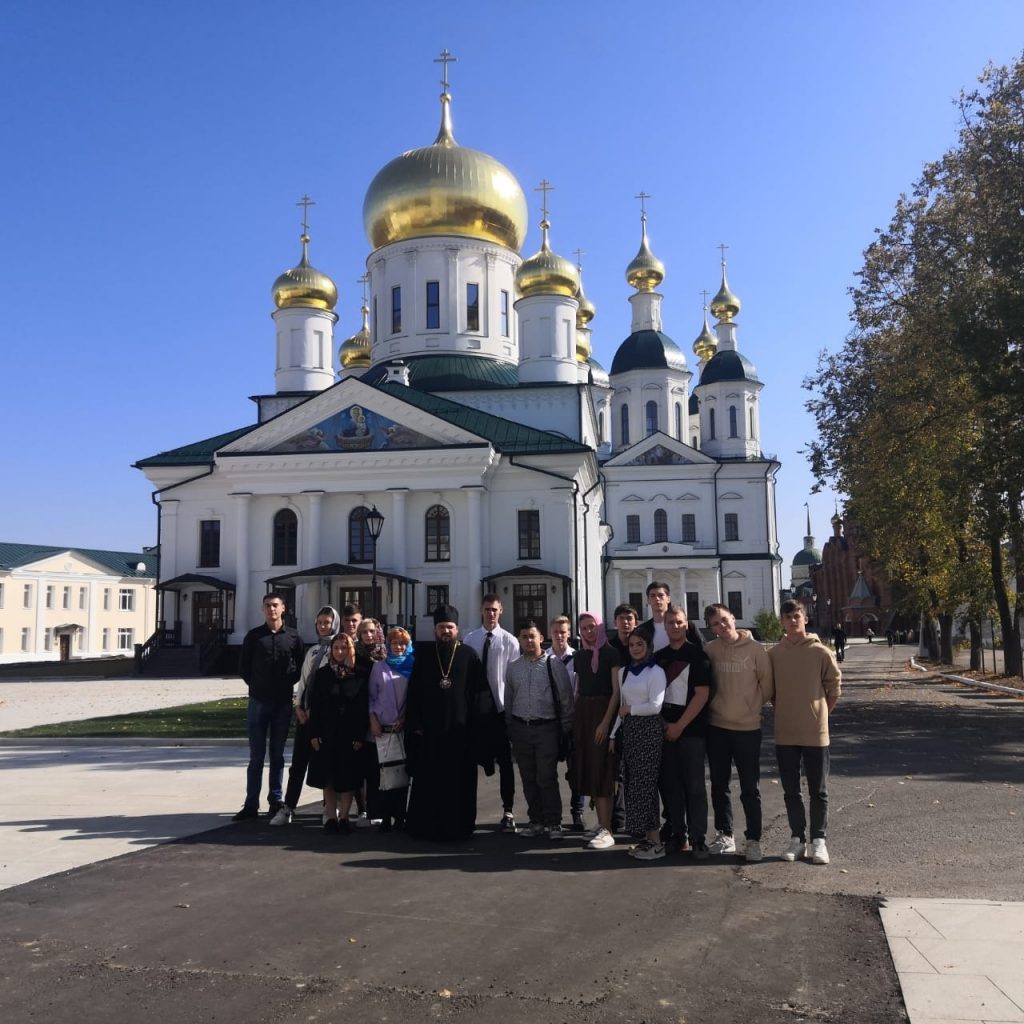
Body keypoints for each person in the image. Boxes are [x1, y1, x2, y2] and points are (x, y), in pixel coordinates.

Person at [405, 605, 500, 841]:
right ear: (435, 630)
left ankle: (460, 826)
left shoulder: (469, 656)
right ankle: (426, 826)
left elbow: (481, 695)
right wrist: (415, 722)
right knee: (430, 782)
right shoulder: (425, 656)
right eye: (441, 627)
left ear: (457, 629)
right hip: (431, 733)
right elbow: (414, 692)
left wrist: (479, 725)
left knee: (460, 784)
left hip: (461, 734)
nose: (445, 631)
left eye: (449, 627)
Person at [769, 599, 842, 865]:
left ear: (805, 618)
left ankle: (818, 841)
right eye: (787, 617)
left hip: (815, 732)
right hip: (786, 732)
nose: (792, 621)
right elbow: (771, 692)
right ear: (782, 621)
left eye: (796, 616)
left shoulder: (821, 652)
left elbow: (834, 689)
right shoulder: (775, 654)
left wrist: (820, 714)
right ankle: (797, 839)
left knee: (818, 790)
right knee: (791, 790)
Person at [703, 603, 774, 862]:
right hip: (717, 727)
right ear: (710, 629)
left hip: (747, 728)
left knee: (749, 788)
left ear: (733, 617)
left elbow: (767, 686)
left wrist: (751, 706)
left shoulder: (756, 650)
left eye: (724, 620)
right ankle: (725, 834)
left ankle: (754, 839)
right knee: (719, 785)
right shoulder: (710, 650)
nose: (721, 627)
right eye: (715, 624)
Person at [235, 592, 304, 820]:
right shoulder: (254, 637)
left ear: (283, 608)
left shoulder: (293, 637)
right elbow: (244, 668)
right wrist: (258, 685)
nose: (271, 609)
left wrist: (285, 683)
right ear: (262, 609)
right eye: (267, 606)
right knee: (256, 756)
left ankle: (275, 800)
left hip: (282, 703)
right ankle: (250, 805)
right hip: (258, 702)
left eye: (275, 605)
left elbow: (300, 667)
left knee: (277, 755)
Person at [505, 620, 574, 840]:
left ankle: (554, 822)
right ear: (519, 639)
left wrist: (565, 728)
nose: (528, 640)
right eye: (523, 636)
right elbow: (509, 699)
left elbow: (565, 699)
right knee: (528, 778)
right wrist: (510, 728)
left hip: (546, 729)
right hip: (521, 728)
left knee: (546, 777)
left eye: (531, 636)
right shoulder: (514, 666)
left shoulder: (553, 664)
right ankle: (536, 821)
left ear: (541, 638)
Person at [271, 605, 340, 826]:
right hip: (305, 717)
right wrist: (299, 706)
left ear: (334, 624)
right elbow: (303, 682)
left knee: (326, 764)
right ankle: (288, 806)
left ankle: (329, 808)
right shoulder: (312, 651)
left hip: (324, 719)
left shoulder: (339, 650)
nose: (322, 626)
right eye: (319, 623)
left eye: (327, 623)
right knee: (299, 763)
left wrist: (317, 712)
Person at [656, 604, 712, 858]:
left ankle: (699, 838)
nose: (675, 627)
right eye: (671, 623)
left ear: (686, 624)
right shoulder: (659, 658)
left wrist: (679, 725)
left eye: (679, 622)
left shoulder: (698, 656)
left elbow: (702, 694)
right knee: (672, 787)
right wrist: (665, 725)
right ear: (665, 626)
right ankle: (679, 836)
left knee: (695, 787)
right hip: (665, 731)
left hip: (691, 732)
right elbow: (652, 696)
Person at [464, 594, 520, 831]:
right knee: (470, 764)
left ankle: (508, 811)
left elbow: (514, 678)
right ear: (481, 610)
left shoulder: (510, 641)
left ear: (501, 611)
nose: (491, 614)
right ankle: (467, 812)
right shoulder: (470, 639)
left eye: (495, 610)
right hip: (476, 713)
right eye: (487, 609)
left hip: (500, 711)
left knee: (506, 764)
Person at [306, 633, 369, 834]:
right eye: (336, 648)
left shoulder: (358, 673)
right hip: (327, 731)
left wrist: (360, 735)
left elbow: (362, 707)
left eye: (344, 648)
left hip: (349, 733)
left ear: (350, 649)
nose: (340, 652)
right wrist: (314, 733)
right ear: (331, 650)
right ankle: (331, 816)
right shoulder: (324, 674)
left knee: (347, 778)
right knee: (329, 777)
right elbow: (315, 706)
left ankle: (344, 817)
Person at [617, 627, 667, 861]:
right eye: (632, 645)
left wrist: (630, 710)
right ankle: (646, 839)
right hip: (631, 732)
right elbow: (621, 704)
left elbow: (655, 706)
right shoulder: (626, 671)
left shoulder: (655, 672)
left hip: (648, 731)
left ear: (648, 646)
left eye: (640, 644)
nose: (636, 648)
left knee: (647, 786)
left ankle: (656, 842)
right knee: (634, 785)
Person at [573, 612, 621, 850]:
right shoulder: (580, 656)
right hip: (584, 715)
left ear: (599, 627)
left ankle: (607, 828)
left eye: (592, 627)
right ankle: (600, 824)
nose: (588, 632)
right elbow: (580, 689)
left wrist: (605, 722)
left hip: (603, 713)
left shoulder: (612, 653)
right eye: (584, 628)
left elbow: (616, 691)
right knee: (591, 767)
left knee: (604, 770)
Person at [367, 626, 415, 832]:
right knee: (385, 775)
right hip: (383, 728)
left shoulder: (413, 666)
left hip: (402, 728)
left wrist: (405, 719)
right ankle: (385, 816)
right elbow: (370, 696)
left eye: (402, 643)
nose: (398, 647)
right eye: (394, 643)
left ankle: (400, 816)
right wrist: (373, 720)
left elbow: (415, 698)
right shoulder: (379, 667)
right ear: (388, 644)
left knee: (402, 773)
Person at [549, 615, 585, 831]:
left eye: (563, 632)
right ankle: (551, 815)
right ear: (550, 633)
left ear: (569, 633)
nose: (560, 636)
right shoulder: (544, 659)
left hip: (573, 722)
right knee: (548, 771)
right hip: (551, 722)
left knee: (575, 771)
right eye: (556, 632)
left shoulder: (577, 658)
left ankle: (577, 812)